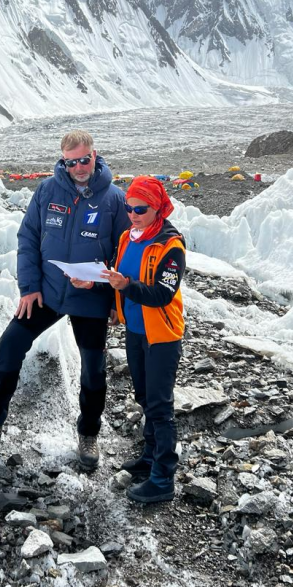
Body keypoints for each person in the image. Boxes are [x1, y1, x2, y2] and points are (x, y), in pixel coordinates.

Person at [0, 130, 129, 469]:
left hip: (90, 297)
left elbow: (124, 253)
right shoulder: (48, 190)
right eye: (71, 161)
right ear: (63, 160)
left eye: (84, 159)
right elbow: (29, 236)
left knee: (93, 370)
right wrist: (29, 287)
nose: (78, 167)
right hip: (47, 292)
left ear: (95, 155)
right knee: (9, 345)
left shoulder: (114, 200)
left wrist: (108, 295)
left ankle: (89, 434)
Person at [104, 175, 186, 504]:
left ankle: (163, 478)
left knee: (160, 406)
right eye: (129, 208)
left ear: (157, 209)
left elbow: (163, 294)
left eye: (141, 209)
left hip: (162, 335)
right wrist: (114, 302)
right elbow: (118, 273)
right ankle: (150, 457)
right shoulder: (128, 237)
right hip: (135, 331)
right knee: (143, 396)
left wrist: (126, 288)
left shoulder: (171, 246)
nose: (133, 214)